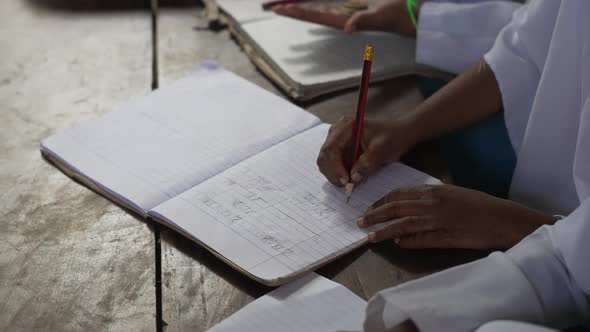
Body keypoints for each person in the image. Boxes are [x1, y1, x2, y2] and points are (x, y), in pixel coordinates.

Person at [324, 0, 589, 331]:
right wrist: (407, 128)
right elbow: (528, 51)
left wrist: (510, 222)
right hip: (548, 244)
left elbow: (575, 265)